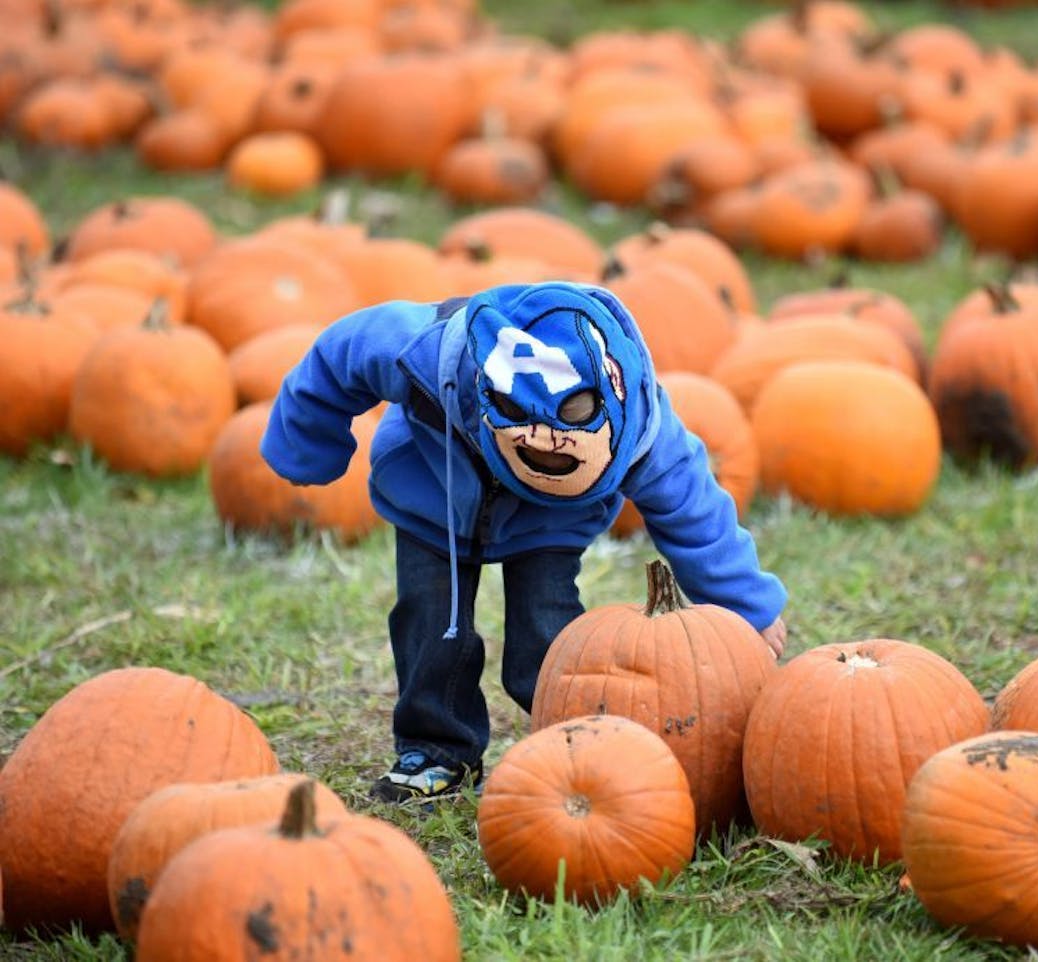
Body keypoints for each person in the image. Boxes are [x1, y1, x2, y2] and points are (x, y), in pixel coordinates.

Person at [261, 281, 788, 803]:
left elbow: (695, 515)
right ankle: (437, 750)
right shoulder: (426, 354)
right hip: (433, 498)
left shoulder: (642, 428)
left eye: (563, 458)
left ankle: (569, 743)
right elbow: (337, 355)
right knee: (430, 625)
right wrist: (307, 441)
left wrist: (748, 608)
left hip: (551, 521)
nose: (549, 452)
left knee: (546, 628)